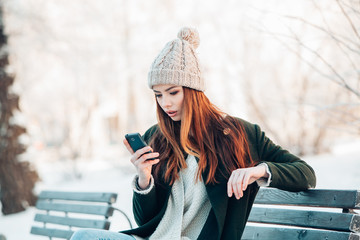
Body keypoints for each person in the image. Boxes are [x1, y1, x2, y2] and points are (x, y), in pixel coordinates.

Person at [70, 27, 316, 240]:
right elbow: (146, 221)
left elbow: (306, 174)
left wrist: (258, 170)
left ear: (193, 89)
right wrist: (144, 180)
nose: (165, 103)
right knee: (83, 236)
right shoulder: (157, 137)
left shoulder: (240, 133)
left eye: (173, 92)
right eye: (158, 95)